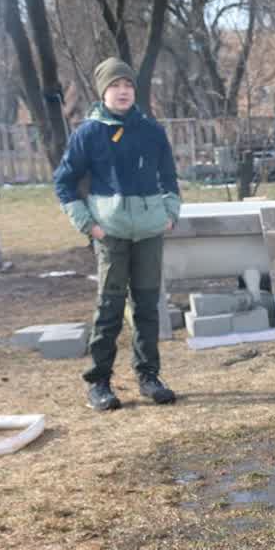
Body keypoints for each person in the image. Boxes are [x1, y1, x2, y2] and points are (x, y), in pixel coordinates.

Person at [53, 57, 180, 412]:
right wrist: (88, 225)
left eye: (127, 85)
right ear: (103, 91)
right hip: (110, 234)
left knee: (147, 307)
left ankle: (149, 376)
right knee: (109, 307)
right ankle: (99, 382)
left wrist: (170, 215)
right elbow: (63, 182)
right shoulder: (89, 133)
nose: (122, 91)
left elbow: (169, 178)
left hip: (150, 232)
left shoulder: (152, 131)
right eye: (114, 85)